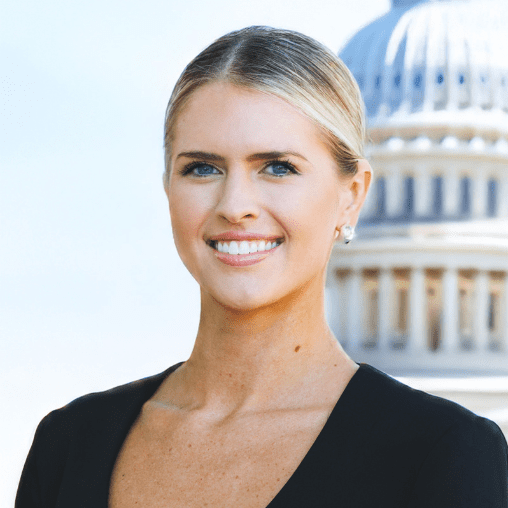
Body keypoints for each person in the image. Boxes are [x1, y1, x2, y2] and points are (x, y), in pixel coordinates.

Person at [16, 26, 508, 508]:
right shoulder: (68, 445)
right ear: (168, 187)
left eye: (278, 167)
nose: (235, 205)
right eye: (202, 168)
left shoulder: (446, 454)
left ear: (351, 196)